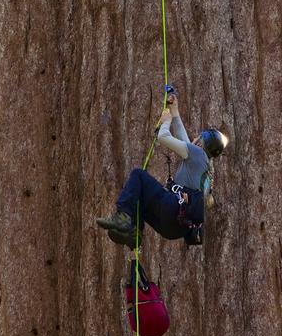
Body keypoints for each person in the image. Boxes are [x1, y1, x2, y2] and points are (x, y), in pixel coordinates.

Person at [96, 90, 228, 247]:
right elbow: (182, 138)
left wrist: (166, 121)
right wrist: (174, 111)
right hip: (175, 228)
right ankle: (134, 233)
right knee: (140, 198)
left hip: (172, 208)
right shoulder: (204, 166)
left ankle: (123, 218)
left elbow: (163, 137)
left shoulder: (197, 154)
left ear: (202, 142)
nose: (194, 138)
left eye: (198, 137)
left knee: (138, 176)